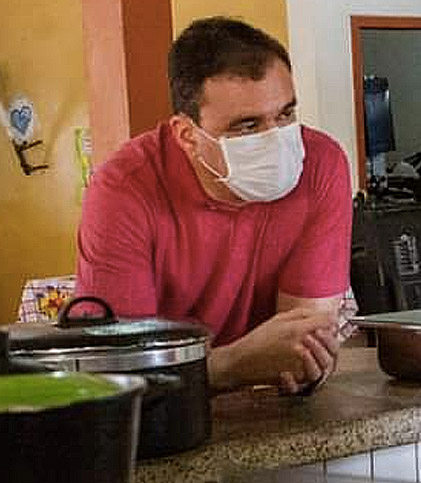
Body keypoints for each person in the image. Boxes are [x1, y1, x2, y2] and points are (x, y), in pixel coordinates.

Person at [76, 17, 352, 394]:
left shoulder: (321, 163)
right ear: (187, 135)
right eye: (247, 126)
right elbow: (122, 377)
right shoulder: (123, 191)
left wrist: (296, 363)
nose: (277, 141)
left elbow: (301, 349)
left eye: (286, 114)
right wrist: (232, 365)